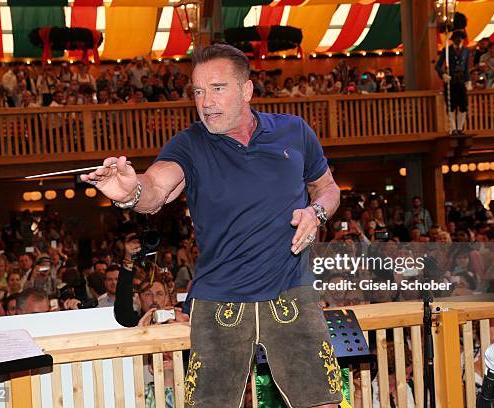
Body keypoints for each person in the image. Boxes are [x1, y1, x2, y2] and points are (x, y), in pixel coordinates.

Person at [83, 43, 342, 407]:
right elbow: (156, 188)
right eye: (198, 91)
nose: (205, 102)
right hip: (219, 301)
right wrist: (129, 192)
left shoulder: (293, 131)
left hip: (291, 293)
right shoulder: (190, 144)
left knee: (322, 403)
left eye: (217, 89)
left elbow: (328, 188)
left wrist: (316, 213)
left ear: (246, 90)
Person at [436, 30, 470, 135]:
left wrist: (468, 80)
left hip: (461, 81)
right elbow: (437, 66)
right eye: (457, 38)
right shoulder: (447, 50)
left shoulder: (466, 51)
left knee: (463, 105)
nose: (459, 40)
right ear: (453, 39)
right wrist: (443, 75)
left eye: (461, 38)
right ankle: (453, 128)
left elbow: (466, 67)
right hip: (451, 81)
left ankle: (460, 128)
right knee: (451, 105)